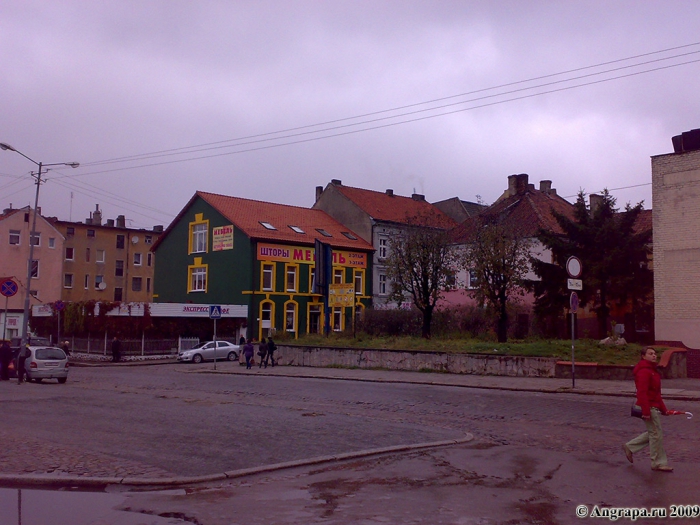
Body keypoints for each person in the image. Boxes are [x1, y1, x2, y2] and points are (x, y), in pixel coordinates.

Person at [623, 347, 673, 472]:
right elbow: (642, 392)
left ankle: (630, 447)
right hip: (648, 406)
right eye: (650, 354)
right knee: (656, 434)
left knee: (654, 432)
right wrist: (645, 411)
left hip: (653, 406)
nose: (654, 355)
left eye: (655, 353)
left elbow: (656, 394)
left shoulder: (652, 371)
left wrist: (664, 409)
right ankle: (657, 463)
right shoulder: (644, 371)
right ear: (643, 356)